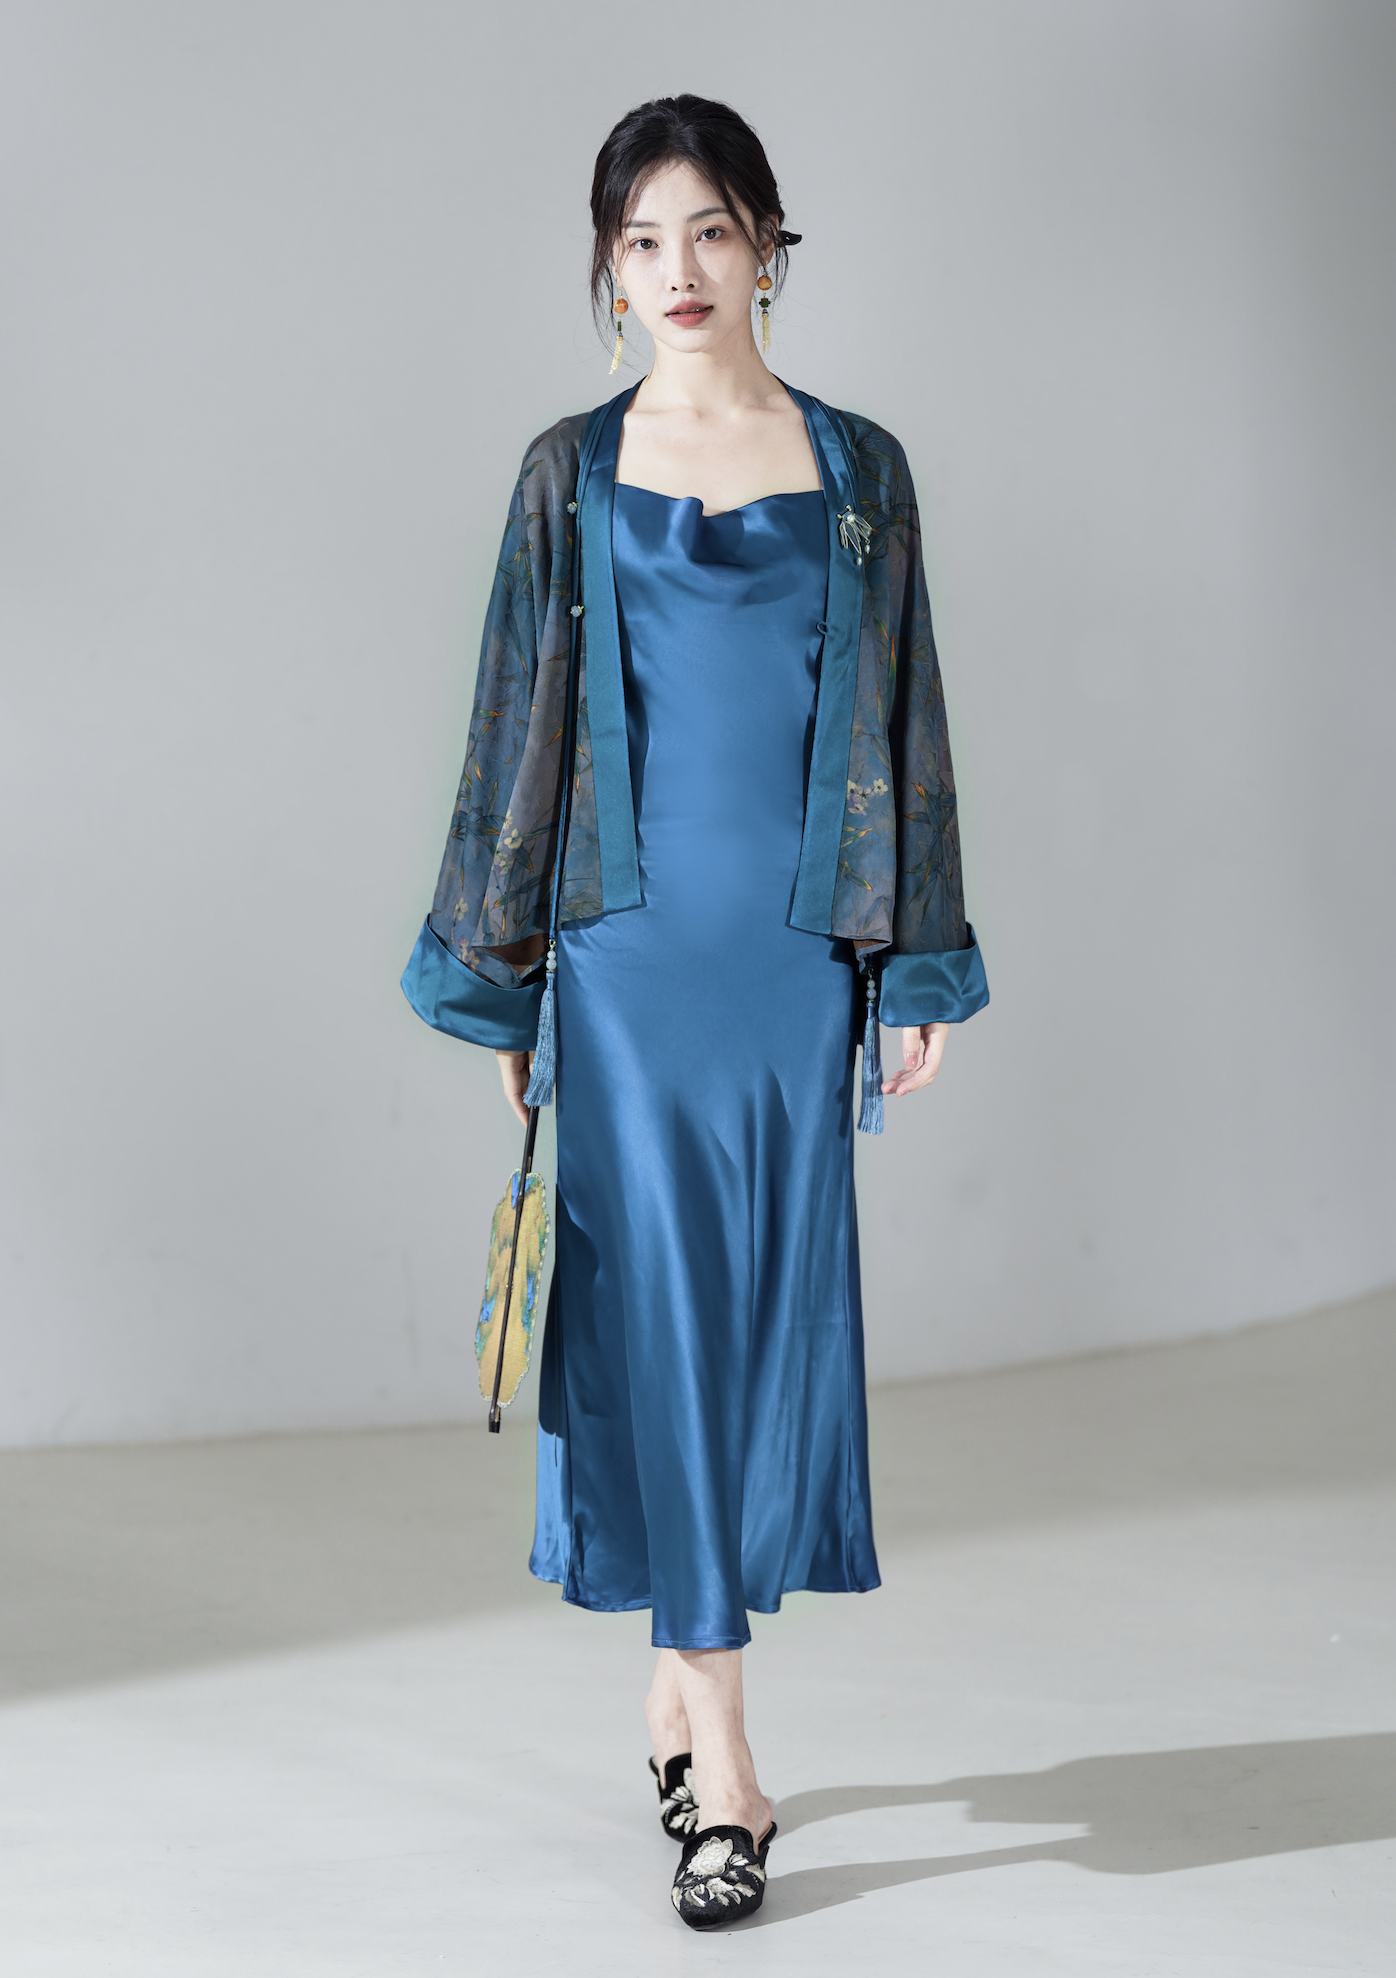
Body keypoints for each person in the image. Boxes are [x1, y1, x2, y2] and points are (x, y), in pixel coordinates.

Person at [402, 93, 989, 1929]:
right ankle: (725, 1770)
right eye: (643, 239)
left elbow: (907, 725)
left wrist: (914, 959)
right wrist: (507, 985)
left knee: (754, 1337)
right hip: (628, 960)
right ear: (607, 265)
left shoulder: (861, 469)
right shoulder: (568, 473)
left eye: (711, 232)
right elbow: (515, 726)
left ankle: (673, 1686)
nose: (677, 270)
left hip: (796, 964)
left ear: (766, 249)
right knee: (661, 1324)